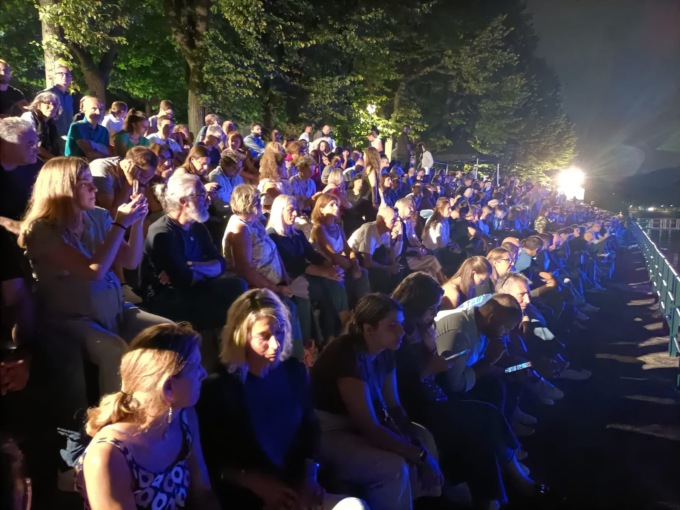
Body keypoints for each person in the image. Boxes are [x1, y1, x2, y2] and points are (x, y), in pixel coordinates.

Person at [19, 156, 170, 465]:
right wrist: (120, 223)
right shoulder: (42, 230)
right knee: (114, 349)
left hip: (114, 307)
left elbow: (130, 260)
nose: (94, 188)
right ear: (62, 188)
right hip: (71, 319)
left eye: (92, 180)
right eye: (85, 183)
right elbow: (94, 269)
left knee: (169, 334)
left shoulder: (98, 216)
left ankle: (161, 414)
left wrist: (136, 221)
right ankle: (113, 436)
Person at [196, 289, 368, 510]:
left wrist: (310, 475)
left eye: (279, 333)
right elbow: (211, 459)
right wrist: (256, 482)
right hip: (251, 498)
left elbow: (310, 429)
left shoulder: (295, 372)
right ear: (241, 336)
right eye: (264, 336)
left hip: (298, 489)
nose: (275, 345)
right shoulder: (219, 387)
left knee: (354, 505)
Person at [392, 273, 542, 508]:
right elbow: (403, 383)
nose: (435, 313)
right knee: (484, 416)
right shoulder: (399, 333)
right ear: (416, 305)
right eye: (432, 308)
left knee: (487, 408)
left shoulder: (421, 329)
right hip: (418, 403)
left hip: (433, 394)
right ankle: (509, 474)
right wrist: (432, 366)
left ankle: (494, 489)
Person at [310, 294, 443, 510]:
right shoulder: (347, 355)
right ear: (368, 329)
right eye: (392, 326)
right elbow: (370, 427)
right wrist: (418, 455)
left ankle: (419, 502)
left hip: (358, 425)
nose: (401, 332)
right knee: (393, 466)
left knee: (424, 437)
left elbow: (393, 406)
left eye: (401, 324)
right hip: (328, 430)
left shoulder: (385, 351)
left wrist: (416, 445)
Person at [75, 322, 220, 510]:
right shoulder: (109, 454)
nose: (204, 374)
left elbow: (202, 493)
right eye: (196, 367)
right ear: (168, 387)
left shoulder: (184, 418)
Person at [222, 184, 304, 358]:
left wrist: (285, 276)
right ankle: (291, 357)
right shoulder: (240, 229)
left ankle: (304, 350)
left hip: (275, 281)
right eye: (257, 201)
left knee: (302, 299)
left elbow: (273, 251)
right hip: (257, 288)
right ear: (248, 204)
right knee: (288, 309)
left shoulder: (255, 223)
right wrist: (276, 288)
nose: (261, 204)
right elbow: (246, 269)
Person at [267, 195, 349, 345]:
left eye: (296, 210)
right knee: (324, 289)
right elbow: (292, 264)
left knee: (334, 282)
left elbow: (311, 254)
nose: (295, 214)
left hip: (305, 273)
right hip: (289, 277)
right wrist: (325, 272)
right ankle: (318, 340)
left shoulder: (297, 233)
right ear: (279, 211)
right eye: (290, 210)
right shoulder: (273, 236)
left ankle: (339, 329)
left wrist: (328, 265)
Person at [0, 118, 40, 354]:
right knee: (18, 297)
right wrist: (8, 223)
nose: (36, 148)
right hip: (5, 244)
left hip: (27, 237)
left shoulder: (34, 168)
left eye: (36, 142)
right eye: (29, 144)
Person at [311, 193, 370, 308]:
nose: (336, 207)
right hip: (328, 265)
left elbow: (348, 249)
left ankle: (364, 307)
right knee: (351, 275)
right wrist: (352, 267)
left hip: (341, 263)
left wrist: (355, 263)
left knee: (362, 272)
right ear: (321, 209)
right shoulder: (319, 229)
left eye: (337, 205)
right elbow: (332, 255)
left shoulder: (338, 227)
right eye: (332, 205)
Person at [348, 206, 402, 294]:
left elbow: (390, 257)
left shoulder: (386, 232)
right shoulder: (369, 230)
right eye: (393, 220)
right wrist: (388, 268)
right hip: (355, 260)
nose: (396, 224)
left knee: (399, 270)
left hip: (372, 259)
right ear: (381, 221)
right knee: (381, 274)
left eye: (396, 220)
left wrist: (393, 241)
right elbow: (367, 262)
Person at [394, 197, 445, 283]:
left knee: (429, 269)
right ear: (402, 208)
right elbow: (399, 248)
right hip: (403, 258)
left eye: (412, 207)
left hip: (411, 253)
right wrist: (414, 250)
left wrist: (420, 246)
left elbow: (413, 238)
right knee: (432, 260)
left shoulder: (408, 222)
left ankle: (437, 286)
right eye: (409, 207)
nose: (412, 209)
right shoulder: (397, 224)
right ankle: (444, 282)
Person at [64, 96, 109, 161]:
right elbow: (90, 154)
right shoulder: (77, 126)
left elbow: (105, 151)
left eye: (101, 109)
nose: (98, 112)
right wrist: (111, 156)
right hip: (76, 165)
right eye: (94, 109)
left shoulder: (104, 131)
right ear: (84, 110)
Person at [19, 92, 61, 160]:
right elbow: (31, 144)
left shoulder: (51, 123)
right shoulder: (28, 116)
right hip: (31, 160)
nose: (52, 107)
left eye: (55, 104)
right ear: (38, 105)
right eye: (47, 103)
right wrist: (53, 159)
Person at [44, 63, 75, 150]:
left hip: (68, 137)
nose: (64, 76)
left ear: (71, 78)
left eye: (67, 74)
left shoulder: (69, 97)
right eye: (61, 74)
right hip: (52, 139)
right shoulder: (47, 94)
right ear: (54, 77)